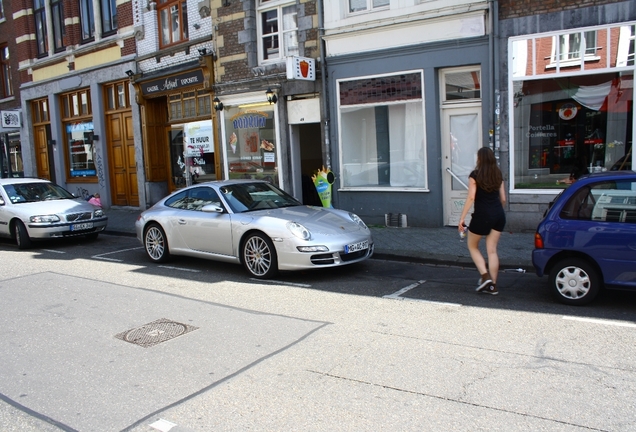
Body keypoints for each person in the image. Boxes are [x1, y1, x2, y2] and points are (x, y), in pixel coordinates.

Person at [458, 147, 506, 296]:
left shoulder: (475, 175)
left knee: (472, 246)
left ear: (479, 159)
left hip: (482, 216)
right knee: (492, 250)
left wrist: (462, 218)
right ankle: (493, 286)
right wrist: (496, 211)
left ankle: (485, 276)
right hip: (498, 215)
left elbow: (471, 197)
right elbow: (503, 198)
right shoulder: (498, 174)